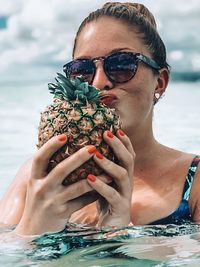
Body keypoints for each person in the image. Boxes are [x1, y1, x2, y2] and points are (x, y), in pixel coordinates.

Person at [0, 2, 200, 236]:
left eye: (122, 64)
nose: (98, 82)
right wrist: (31, 229)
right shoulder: (39, 176)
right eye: (82, 70)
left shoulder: (194, 184)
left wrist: (117, 235)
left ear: (160, 81)